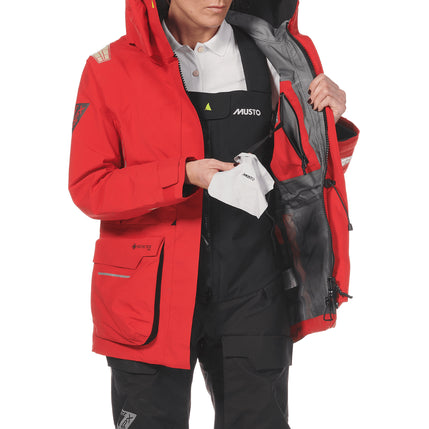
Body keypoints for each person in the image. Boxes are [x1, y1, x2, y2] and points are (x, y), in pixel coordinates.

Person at [69, 0, 359, 428]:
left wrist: (328, 126)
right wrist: (184, 175)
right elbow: (90, 187)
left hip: (254, 286)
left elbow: (303, 178)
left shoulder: (273, 58)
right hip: (148, 298)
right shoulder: (109, 67)